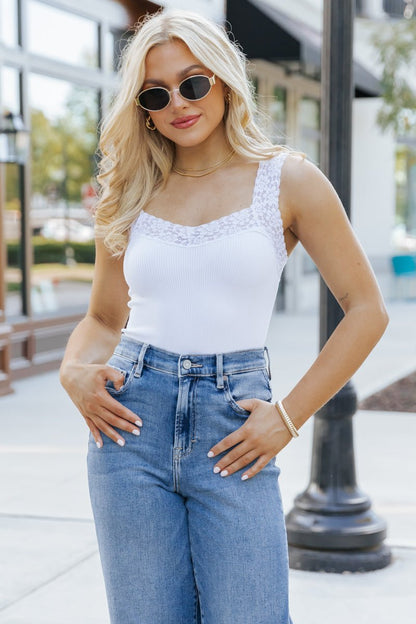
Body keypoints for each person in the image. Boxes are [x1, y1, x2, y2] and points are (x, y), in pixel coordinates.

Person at [60, 8, 388, 624]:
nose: (179, 103)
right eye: (157, 93)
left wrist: (288, 419)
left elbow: (366, 310)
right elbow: (104, 318)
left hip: (233, 424)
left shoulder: (287, 181)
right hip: (130, 425)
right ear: (143, 107)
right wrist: (74, 369)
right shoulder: (129, 189)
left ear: (225, 77)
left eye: (193, 82)